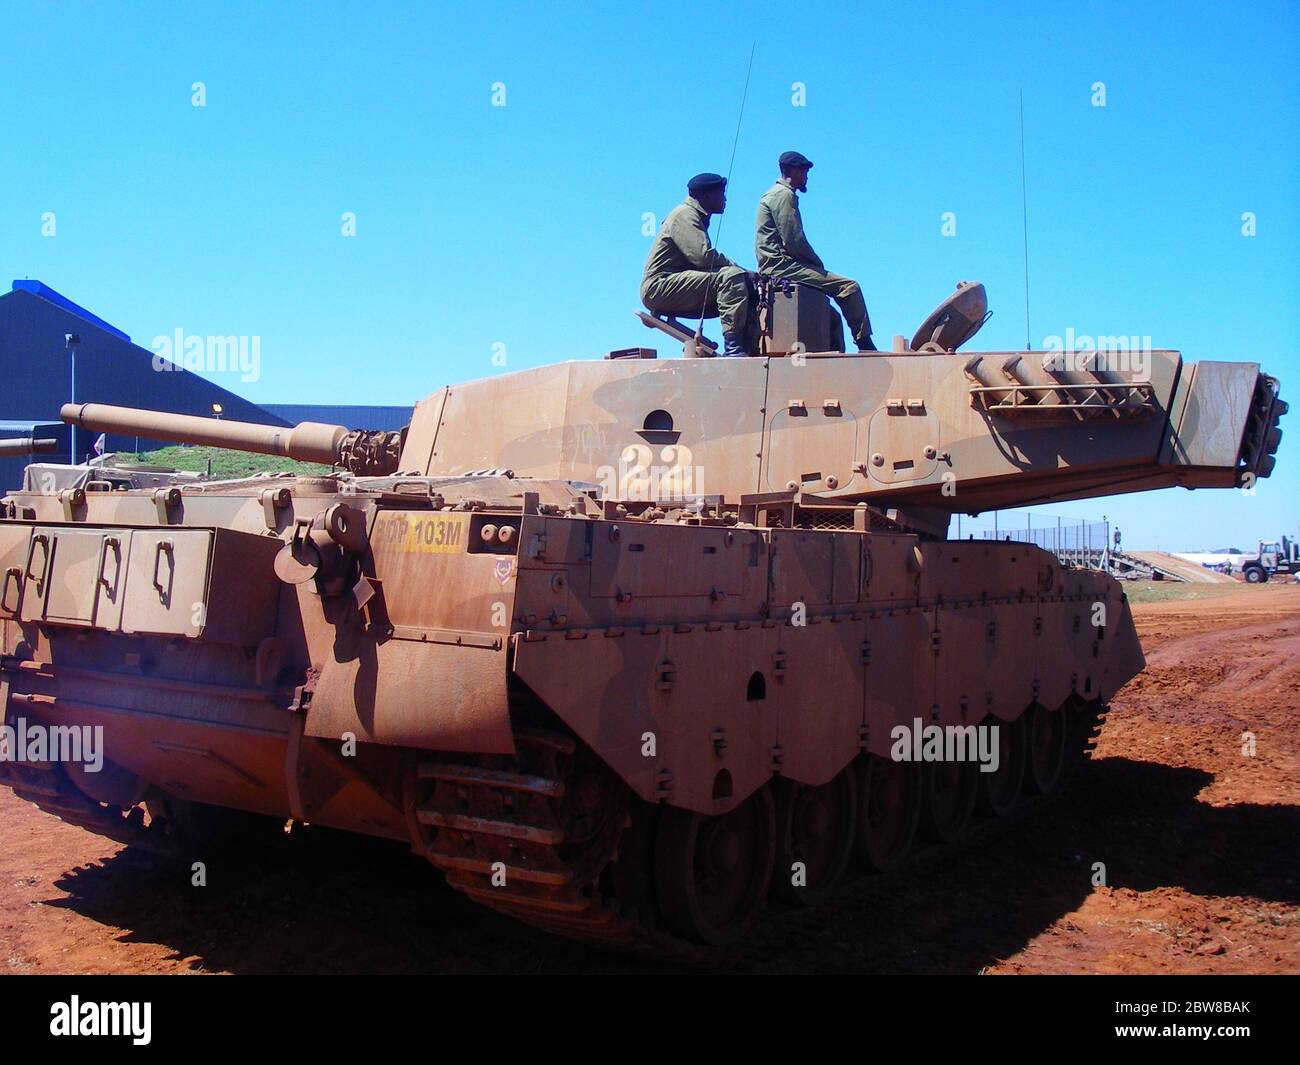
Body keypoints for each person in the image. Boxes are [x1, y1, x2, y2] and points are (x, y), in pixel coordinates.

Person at [755, 151, 877, 351]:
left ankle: (834, 361)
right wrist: (817, 266)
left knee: (833, 318)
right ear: (793, 171)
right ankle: (866, 345)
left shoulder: (776, 194)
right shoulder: (783, 195)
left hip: (777, 266)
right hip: (781, 267)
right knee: (849, 287)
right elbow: (794, 239)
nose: (806, 177)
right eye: (804, 171)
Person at [641, 173, 752, 357]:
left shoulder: (695, 216)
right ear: (706, 196)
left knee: (745, 287)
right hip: (659, 286)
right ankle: (734, 350)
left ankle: (747, 347)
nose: (725, 199)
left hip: (672, 284)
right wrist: (742, 271)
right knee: (732, 277)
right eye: (721, 193)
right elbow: (703, 256)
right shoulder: (684, 214)